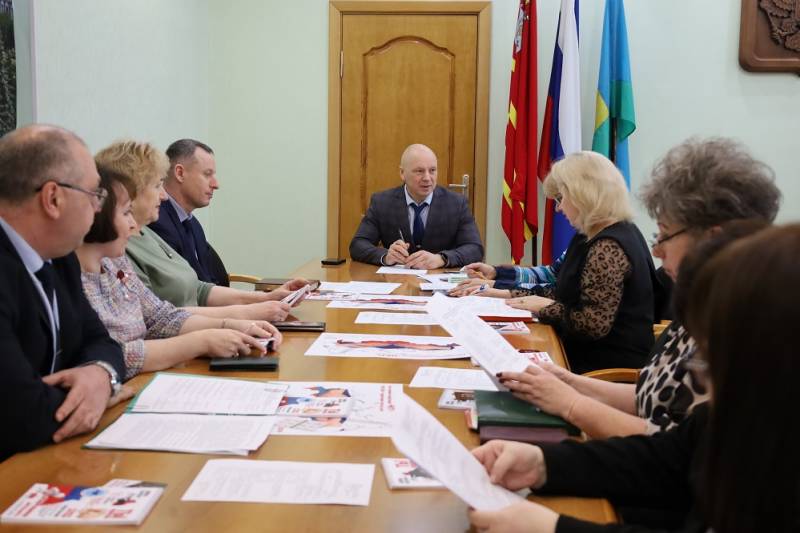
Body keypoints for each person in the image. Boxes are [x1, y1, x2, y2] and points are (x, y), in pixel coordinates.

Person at [469, 223, 799, 533]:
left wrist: (553, 527)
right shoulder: (740, 412)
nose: (703, 372)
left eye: (711, 355)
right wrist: (541, 464)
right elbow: (662, 460)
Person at [495, 138, 781, 438]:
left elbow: (668, 447)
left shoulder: (739, 333)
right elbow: (649, 398)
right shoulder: (700, 313)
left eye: (665, 234)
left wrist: (570, 403)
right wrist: (567, 382)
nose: (656, 251)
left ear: (713, 239)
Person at [77, 166, 282, 380]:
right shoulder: (73, 278)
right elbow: (109, 356)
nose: (132, 224)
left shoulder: (115, 263)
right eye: (126, 212)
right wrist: (203, 341)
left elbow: (160, 317)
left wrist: (231, 325)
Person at [0, 125, 125, 461]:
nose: (98, 208)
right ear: (53, 198)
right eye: (94, 194)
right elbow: (19, 412)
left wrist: (101, 374)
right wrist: (100, 395)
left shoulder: (60, 258)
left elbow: (101, 341)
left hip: (45, 455)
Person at [93, 140, 305, 320]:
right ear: (129, 192)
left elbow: (198, 289)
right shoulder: (124, 244)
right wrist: (246, 315)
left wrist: (265, 299)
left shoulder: (150, 231)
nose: (163, 195)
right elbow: (156, 320)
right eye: (157, 186)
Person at [500, 151, 658, 373]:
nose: (558, 208)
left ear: (583, 195)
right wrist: (505, 295)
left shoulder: (608, 246)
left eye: (561, 198)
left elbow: (592, 324)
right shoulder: (589, 236)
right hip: (578, 356)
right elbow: (565, 292)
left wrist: (544, 307)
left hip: (605, 372)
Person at [349, 143, 484, 268]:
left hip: (438, 279)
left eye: (432, 170)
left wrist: (441, 259)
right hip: (396, 280)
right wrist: (386, 256)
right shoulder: (382, 202)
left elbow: (475, 248)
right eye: (419, 171)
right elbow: (358, 245)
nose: (427, 178)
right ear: (402, 173)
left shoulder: (456, 203)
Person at [148, 139, 225, 284]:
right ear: (180, 173)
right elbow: (185, 289)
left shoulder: (193, 225)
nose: (216, 184)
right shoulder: (157, 220)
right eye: (207, 174)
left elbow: (210, 279)